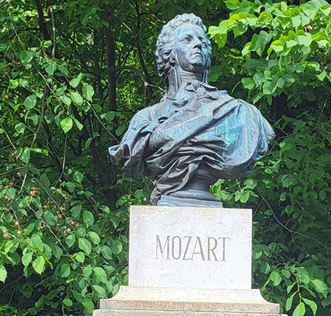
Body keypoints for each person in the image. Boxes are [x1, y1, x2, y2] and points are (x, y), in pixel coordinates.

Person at [109, 14, 274, 207]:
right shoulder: (147, 117)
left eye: (203, 41)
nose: (198, 44)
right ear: (169, 53)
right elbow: (128, 155)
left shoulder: (239, 113)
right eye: (187, 39)